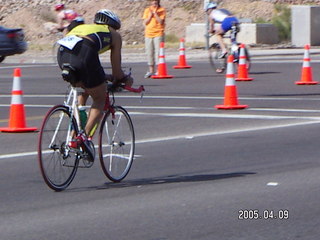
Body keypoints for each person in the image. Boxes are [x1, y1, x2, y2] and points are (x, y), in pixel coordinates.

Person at [57, 9, 133, 161]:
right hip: (85, 53)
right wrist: (124, 79)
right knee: (99, 98)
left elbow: (87, 65)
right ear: (113, 25)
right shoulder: (114, 35)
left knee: (85, 89)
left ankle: (74, 134)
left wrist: (105, 76)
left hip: (62, 53)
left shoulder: (87, 28)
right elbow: (117, 71)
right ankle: (82, 138)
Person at [142, 0, 166, 78]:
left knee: (158, 52)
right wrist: (150, 15)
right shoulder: (147, 10)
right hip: (148, 34)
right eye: (153, 2)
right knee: (149, 52)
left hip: (158, 33)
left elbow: (161, 21)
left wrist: (155, 14)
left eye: (156, 2)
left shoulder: (162, 10)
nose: (154, 3)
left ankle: (159, 70)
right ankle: (151, 70)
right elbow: (145, 22)